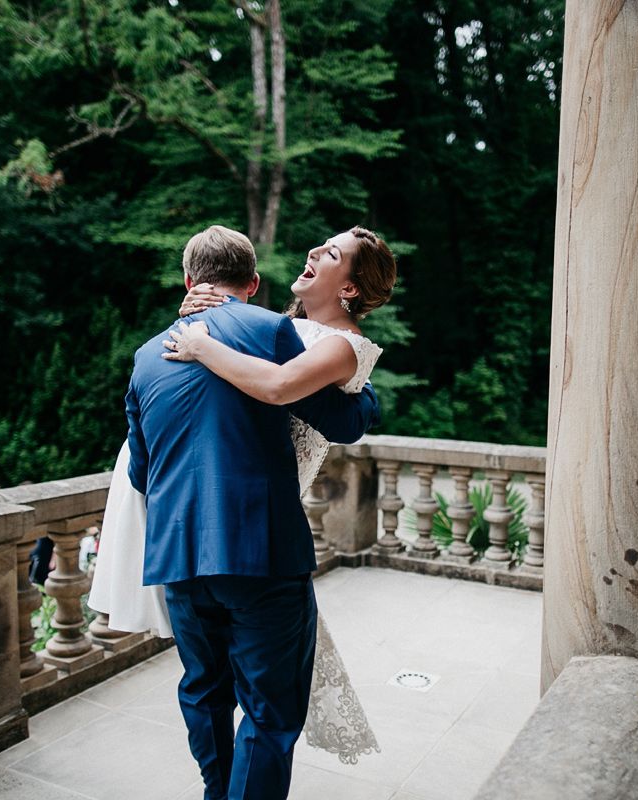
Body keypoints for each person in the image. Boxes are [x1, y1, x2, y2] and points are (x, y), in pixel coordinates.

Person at [113, 225, 381, 800]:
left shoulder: (144, 358)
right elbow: (345, 419)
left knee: (205, 693)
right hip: (261, 550)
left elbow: (140, 472)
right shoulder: (270, 329)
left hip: (179, 556)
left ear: (190, 282)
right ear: (253, 283)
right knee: (270, 712)